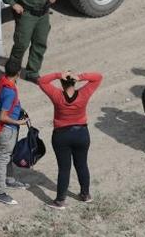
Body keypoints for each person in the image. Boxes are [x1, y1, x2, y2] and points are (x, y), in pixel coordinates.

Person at [38, 70, 103, 209]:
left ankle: (60, 200)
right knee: (82, 165)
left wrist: (56, 75)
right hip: (81, 134)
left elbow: (41, 81)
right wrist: (81, 77)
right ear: (74, 81)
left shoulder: (56, 95)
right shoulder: (84, 94)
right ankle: (85, 195)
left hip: (61, 135)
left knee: (64, 169)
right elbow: (98, 77)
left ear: (61, 82)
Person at [0, 60, 31, 205]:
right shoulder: (9, 91)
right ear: (18, 73)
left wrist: (19, 110)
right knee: (4, 158)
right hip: (7, 129)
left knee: (8, 156)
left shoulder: (4, 81)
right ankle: (0, 192)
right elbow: (2, 116)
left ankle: (10, 180)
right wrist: (18, 122)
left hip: (8, 129)